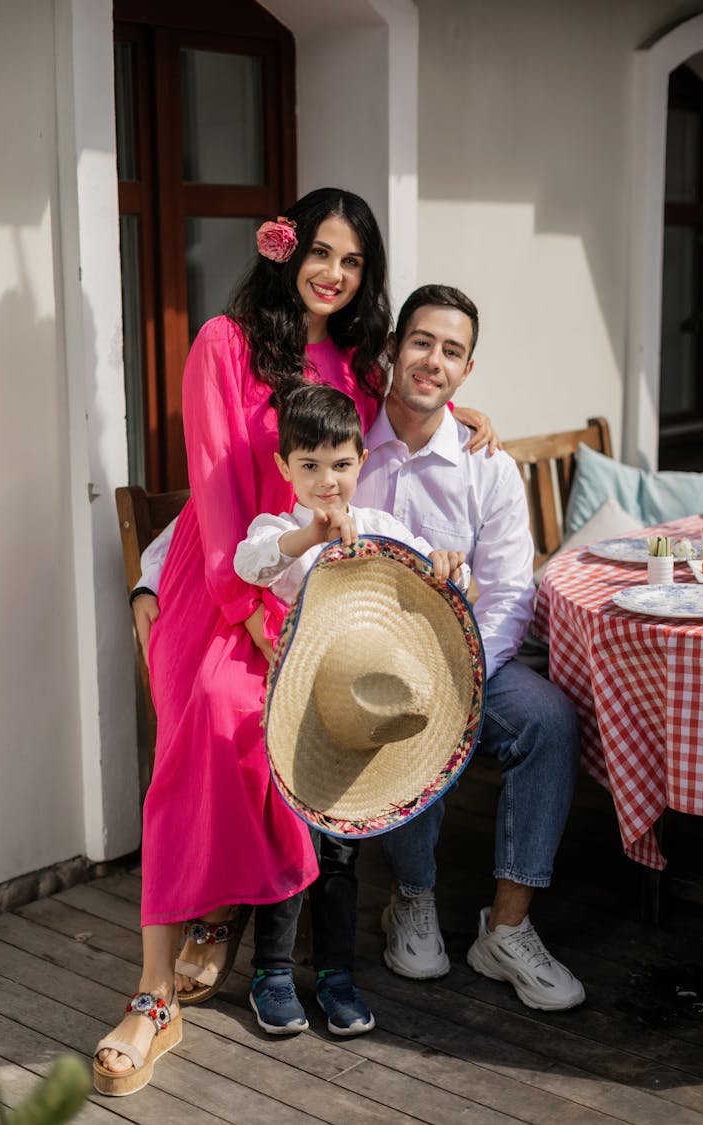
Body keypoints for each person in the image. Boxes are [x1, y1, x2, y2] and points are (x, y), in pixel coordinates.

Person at [133, 282, 585, 1015]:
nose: (434, 361)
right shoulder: (340, 435)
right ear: (392, 351)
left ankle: (507, 925)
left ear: (469, 369)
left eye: (452, 350)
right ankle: (406, 900)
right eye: (422, 342)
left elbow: (507, 593)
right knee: (344, 722)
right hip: (339, 664)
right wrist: (152, 575)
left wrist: (459, 679)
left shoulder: (485, 461)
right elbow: (232, 507)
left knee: (550, 720)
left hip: (467, 657)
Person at [94, 187, 395, 1096]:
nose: (335, 275)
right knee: (216, 718)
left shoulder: (358, 367)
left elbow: (367, 465)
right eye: (322, 253)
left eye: (353, 262)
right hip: (225, 576)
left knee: (316, 724)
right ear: (285, 248)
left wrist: (469, 425)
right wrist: (257, 620)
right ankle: (153, 997)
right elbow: (220, 495)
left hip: (312, 588)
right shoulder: (223, 345)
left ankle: (221, 913)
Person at [231, 381, 468, 1038]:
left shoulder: (384, 529)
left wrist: (452, 566)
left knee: (339, 852)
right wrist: (307, 533)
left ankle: (335, 971)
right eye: (309, 465)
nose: (326, 480)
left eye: (340, 464)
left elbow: (431, 574)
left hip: (351, 722)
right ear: (285, 468)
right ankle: (272, 970)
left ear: (361, 460)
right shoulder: (278, 529)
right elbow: (247, 563)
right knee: (288, 843)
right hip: (296, 718)